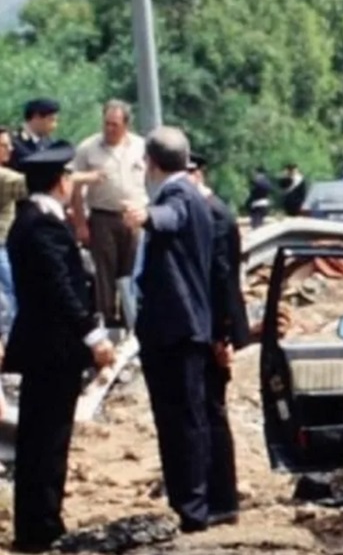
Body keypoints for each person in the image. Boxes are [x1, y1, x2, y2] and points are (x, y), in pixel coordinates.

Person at [4, 144, 115, 553]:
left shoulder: (30, 221)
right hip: (53, 348)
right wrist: (94, 336)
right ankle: (41, 525)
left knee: (43, 437)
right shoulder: (41, 226)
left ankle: (41, 519)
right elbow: (61, 289)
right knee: (47, 440)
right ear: (60, 181)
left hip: (44, 346)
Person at [121, 126, 215, 534]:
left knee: (183, 420)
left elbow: (168, 219)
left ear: (152, 164)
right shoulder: (190, 193)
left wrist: (145, 217)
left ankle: (192, 507)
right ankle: (188, 501)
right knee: (181, 418)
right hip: (180, 327)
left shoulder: (178, 196)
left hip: (175, 330)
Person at [186, 153, 249, 527]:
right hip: (210, 327)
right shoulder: (210, 211)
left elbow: (221, 281)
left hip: (213, 329)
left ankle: (221, 498)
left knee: (211, 413)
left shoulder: (213, 215)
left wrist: (221, 335)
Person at [69, 100, 148, 331]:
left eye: (115, 124)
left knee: (133, 269)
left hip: (134, 215)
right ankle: (108, 321)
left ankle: (131, 318)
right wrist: (81, 223)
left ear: (126, 124)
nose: (110, 129)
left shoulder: (140, 147)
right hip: (103, 217)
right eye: (106, 124)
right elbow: (74, 187)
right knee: (104, 272)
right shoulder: (88, 148)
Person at [0, 127, 27, 335]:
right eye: (3, 145)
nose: (10, 149)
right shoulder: (4, 177)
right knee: (8, 298)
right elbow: (33, 184)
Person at [9, 99, 60, 168]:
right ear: (36, 117)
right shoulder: (12, 142)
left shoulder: (49, 143)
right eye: (51, 120)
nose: (54, 126)